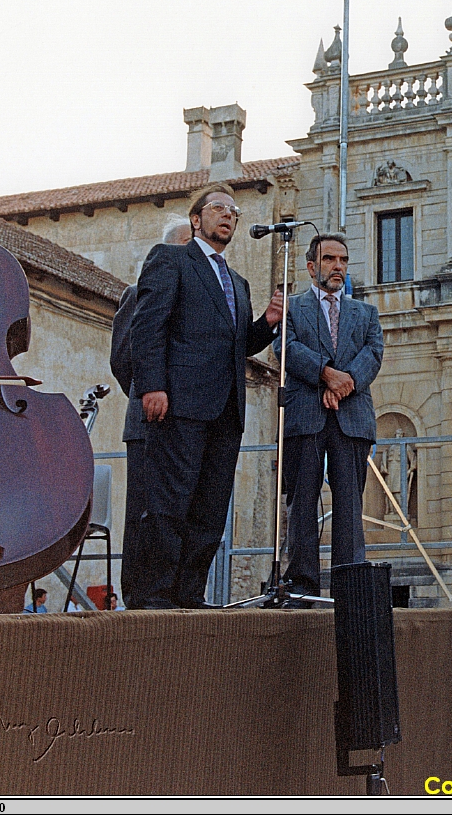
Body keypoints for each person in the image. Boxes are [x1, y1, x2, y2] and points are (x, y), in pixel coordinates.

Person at [130, 184, 283, 609]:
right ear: (196, 219)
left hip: (226, 409)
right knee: (169, 501)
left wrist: (267, 322)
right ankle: (155, 595)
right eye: (218, 208)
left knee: (210, 506)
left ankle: (190, 592)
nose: (228, 216)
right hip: (178, 403)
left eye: (234, 210)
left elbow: (238, 344)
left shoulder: (238, 282)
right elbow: (148, 326)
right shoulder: (171, 259)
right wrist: (152, 385)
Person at [277, 234, 383, 598]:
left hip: (351, 418)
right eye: (329, 259)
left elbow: (374, 352)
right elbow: (285, 348)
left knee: (351, 503)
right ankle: (302, 584)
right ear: (311, 266)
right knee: (302, 501)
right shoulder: (292, 308)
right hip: (305, 417)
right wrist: (325, 374)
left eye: (343, 260)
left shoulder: (365, 313)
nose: (337, 266)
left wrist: (345, 383)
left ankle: (349, 583)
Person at [110, 217, 193, 609]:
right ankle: (139, 598)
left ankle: (175, 594)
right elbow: (124, 357)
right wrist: (149, 396)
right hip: (148, 425)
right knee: (143, 517)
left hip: (186, 430)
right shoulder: (138, 292)